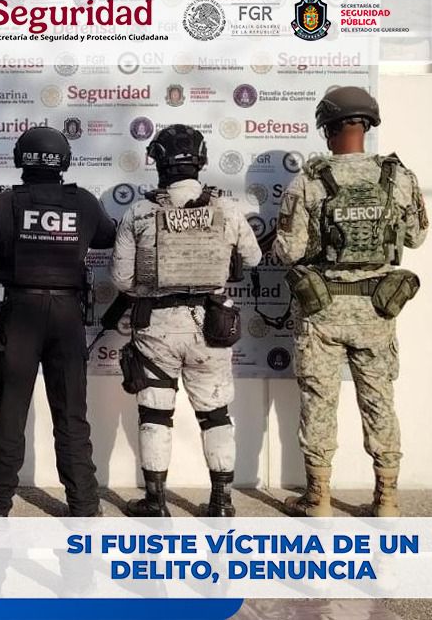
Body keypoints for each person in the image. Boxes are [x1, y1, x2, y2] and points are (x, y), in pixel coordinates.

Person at [275, 86, 427, 517]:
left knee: (318, 402)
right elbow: (416, 236)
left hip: (322, 310)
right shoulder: (399, 177)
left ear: (327, 129)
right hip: (377, 309)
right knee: (380, 401)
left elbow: (288, 251)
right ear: (368, 125)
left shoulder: (308, 180)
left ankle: (318, 499)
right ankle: (388, 499)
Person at [111, 124, 261, 517]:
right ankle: (222, 502)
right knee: (216, 415)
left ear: (158, 162)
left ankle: (156, 502)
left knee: (155, 414)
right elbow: (253, 258)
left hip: (157, 327)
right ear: (201, 159)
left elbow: (121, 280)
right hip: (211, 327)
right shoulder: (227, 209)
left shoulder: (140, 212)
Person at [0, 126, 115, 517]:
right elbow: (107, 237)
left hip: (21, 315)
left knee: (11, 412)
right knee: (71, 415)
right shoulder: (84, 202)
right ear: (63, 160)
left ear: (21, 158)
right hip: (67, 316)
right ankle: (84, 506)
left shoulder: (4, 203)